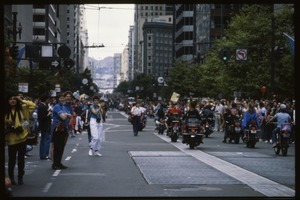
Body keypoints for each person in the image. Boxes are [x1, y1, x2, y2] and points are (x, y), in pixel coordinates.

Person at [4, 94, 33, 185]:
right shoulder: (5, 111)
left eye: (14, 99)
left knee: (21, 160)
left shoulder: (22, 110)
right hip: (11, 139)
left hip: (22, 138)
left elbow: (32, 105)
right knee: (11, 160)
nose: (12, 101)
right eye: (10, 99)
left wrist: (20, 99)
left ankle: (20, 177)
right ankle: (11, 178)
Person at [50, 93, 73, 170]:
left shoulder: (63, 106)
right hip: (57, 128)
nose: (62, 99)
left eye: (63, 98)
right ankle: (55, 164)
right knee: (57, 146)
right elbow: (63, 117)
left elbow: (70, 116)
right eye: (60, 98)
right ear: (57, 99)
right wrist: (67, 115)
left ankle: (59, 163)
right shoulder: (57, 106)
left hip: (63, 127)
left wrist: (66, 114)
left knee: (61, 147)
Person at [37, 95, 52, 160]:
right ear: (46, 99)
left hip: (44, 125)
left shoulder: (42, 106)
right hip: (45, 125)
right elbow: (42, 117)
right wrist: (49, 114)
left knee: (43, 140)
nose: (49, 101)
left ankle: (42, 155)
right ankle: (45, 154)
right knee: (47, 140)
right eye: (48, 99)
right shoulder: (42, 106)